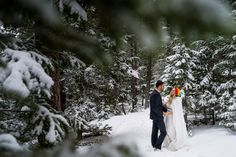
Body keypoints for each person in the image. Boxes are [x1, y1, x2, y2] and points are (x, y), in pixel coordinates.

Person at [162, 87, 188, 151]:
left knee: (171, 129)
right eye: (172, 90)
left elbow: (177, 111)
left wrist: (170, 113)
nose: (172, 91)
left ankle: (173, 142)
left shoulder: (177, 99)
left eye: (173, 90)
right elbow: (164, 105)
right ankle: (169, 142)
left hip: (173, 117)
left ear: (176, 92)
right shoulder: (168, 97)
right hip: (168, 117)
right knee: (167, 129)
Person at [150, 80, 172, 150]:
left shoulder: (155, 93)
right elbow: (155, 108)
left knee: (155, 131)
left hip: (155, 116)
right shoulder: (155, 94)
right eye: (163, 86)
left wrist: (165, 109)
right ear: (159, 86)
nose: (164, 87)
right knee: (163, 132)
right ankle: (157, 146)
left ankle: (154, 144)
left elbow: (158, 105)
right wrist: (163, 113)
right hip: (158, 116)